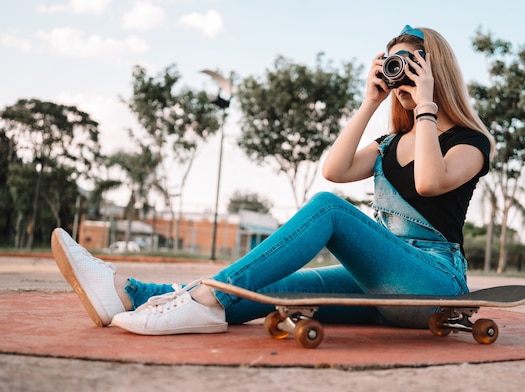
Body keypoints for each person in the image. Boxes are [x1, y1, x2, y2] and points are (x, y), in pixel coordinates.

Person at [51, 25, 495, 336]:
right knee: (275, 290)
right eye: (393, 65)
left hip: (433, 286)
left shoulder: (470, 141)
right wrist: (370, 101)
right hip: (381, 285)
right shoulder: (389, 142)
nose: (402, 75)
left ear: (435, 71)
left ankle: (203, 303)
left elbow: (430, 183)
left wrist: (426, 101)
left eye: (411, 65)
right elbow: (335, 169)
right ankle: (129, 294)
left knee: (329, 208)